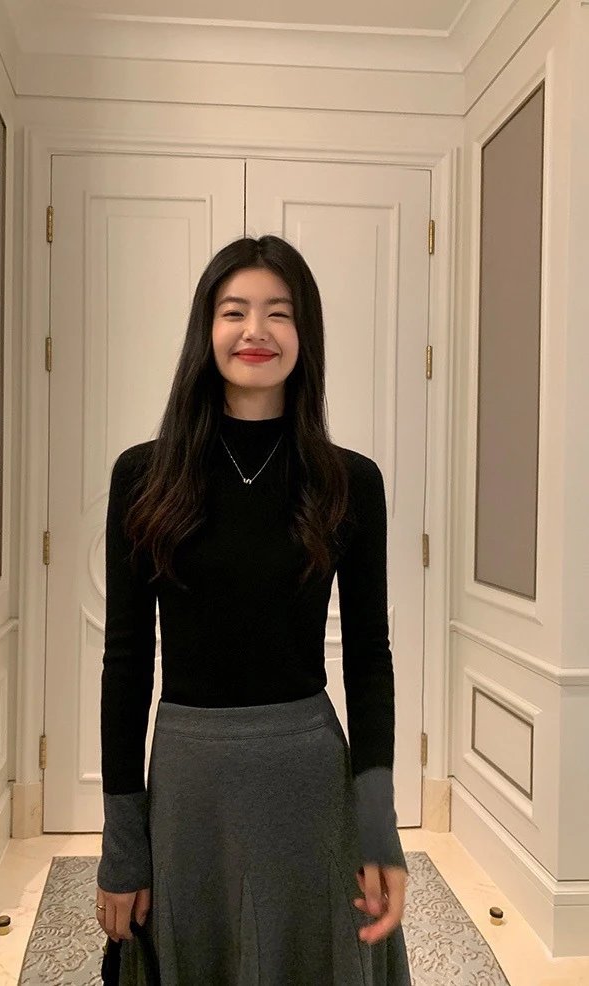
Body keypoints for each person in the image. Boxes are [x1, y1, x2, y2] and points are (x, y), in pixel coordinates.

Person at [94, 234, 412, 985]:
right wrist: (123, 844)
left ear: (305, 333)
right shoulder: (144, 476)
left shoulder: (349, 482)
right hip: (190, 783)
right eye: (234, 311)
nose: (256, 331)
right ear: (206, 330)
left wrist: (378, 829)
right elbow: (126, 664)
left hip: (308, 779)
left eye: (279, 312)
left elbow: (370, 659)